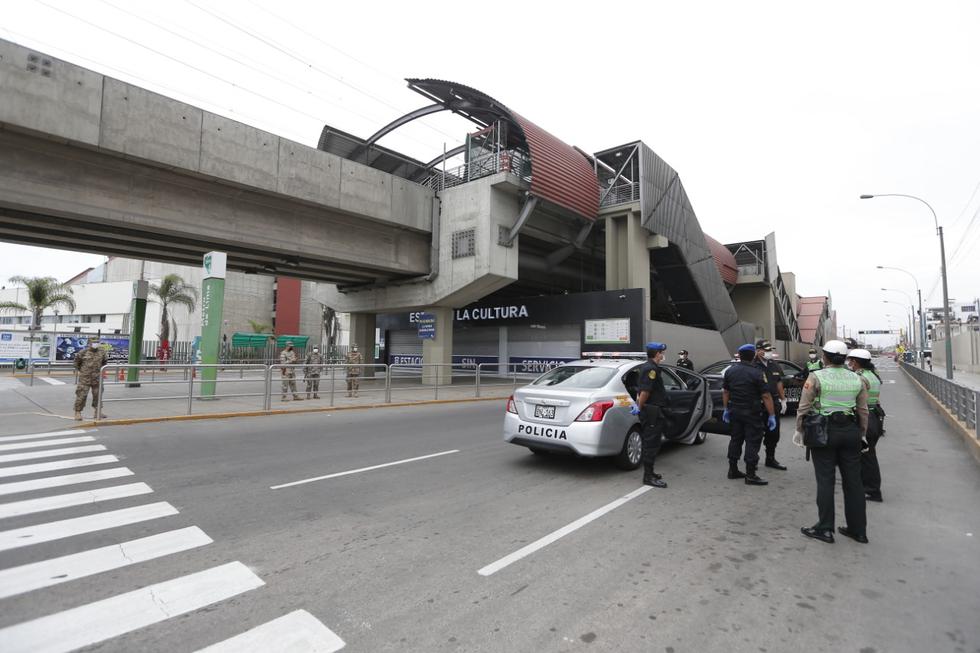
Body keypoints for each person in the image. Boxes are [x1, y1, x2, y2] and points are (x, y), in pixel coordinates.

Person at [795, 340, 869, 544]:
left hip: (823, 432)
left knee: (825, 481)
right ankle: (858, 530)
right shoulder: (857, 378)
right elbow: (863, 410)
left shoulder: (816, 376)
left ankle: (825, 528)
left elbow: (804, 406)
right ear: (845, 358)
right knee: (854, 482)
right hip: (851, 431)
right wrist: (861, 433)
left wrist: (800, 429)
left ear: (825, 357)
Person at [722, 343, 777, 485]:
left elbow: (726, 392)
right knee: (752, 441)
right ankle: (750, 474)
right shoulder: (757, 373)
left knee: (735, 439)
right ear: (753, 355)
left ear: (739, 356)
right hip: (752, 412)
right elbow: (766, 396)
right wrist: (771, 415)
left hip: (734, 410)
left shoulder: (730, 371)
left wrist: (726, 409)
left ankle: (732, 470)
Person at [847, 348, 885, 502]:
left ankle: (872, 490)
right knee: (868, 454)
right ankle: (869, 487)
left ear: (855, 362)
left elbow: (854, 399)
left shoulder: (860, 378)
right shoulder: (873, 375)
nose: (849, 363)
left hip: (866, 417)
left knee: (867, 455)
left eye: (850, 361)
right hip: (875, 416)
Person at [630, 342, 670, 488]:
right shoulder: (651, 369)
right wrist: (639, 407)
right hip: (652, 411)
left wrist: (638, 404)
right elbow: (645, 392)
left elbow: (640, 390)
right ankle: (648, 477)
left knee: (653, 442)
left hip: (652, 409)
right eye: (661, 352)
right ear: (657, 354)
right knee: (651, 444)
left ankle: (650, 473)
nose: (663, 354)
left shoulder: (648, 367)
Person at [755, 339, 788, 470]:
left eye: (770, 350)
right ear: (758, 351)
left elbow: (779, 382)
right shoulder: (753, 364)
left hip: (773, 402)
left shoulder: (774, 364)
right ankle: (753, 460)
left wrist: (783, 399)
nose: (769, 353)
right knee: (756, 434)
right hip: (758, 403)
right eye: (767, 350)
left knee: (773, 434)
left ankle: (770, 459)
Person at [73, 337, 109, 420]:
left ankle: (98, 411)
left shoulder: (102, 352)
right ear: (89, 343)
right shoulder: (83, 352)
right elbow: (76, 363)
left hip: (97, 378)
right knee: (81, 395)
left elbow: (104, 363)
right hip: (85, 379)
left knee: (98, 395)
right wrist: (83, 371)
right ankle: (77, 412)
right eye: (93, 342)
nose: (95, 344)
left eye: (97, 342)